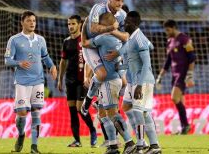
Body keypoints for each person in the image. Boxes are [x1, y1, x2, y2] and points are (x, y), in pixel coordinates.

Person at [107, 11, 162, 154]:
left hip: (142, 81)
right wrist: (118, 64)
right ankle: (154, 146)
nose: (124, 24)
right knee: (128, 107)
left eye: (127, 22)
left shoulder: (139, 39)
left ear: (135, 23)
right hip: (133, 81)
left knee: (138, 112)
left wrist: (139, 85)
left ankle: (140, 145)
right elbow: (136, 53)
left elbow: (146, 64)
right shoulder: (133, 38)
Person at [82, 13, 136, 154]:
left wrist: (84, 27)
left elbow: (85, 43)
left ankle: (129, 143)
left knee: (113, 115)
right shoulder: (119, 40)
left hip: (108, 81)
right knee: (103, 114)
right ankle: (112, 145)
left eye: (99, 24)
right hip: (117, 79)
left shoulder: (103, 38)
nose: (97, 27)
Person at [5, 10, 57, 154]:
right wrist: (19, 63)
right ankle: (21, 134)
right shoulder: (14, 40)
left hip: (39, 81)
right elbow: (7, 60)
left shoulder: (40, 40)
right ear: (22, 22)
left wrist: (52, 66)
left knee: (36, 111)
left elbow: (45, 57)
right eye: (28, 20)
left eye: (34, 20)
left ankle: (34, 146)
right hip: (22, 82)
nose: (32, 23)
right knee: (22, 113)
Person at [81, 0, 129, 116]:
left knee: (124, 82)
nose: (120, 3)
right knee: (102, 75)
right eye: (117, 0)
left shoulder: (122, 15)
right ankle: (88, 99)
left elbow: (126, 37)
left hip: (107, 46)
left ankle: (100, 102)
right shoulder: (98, 8)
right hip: (92, 46)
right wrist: (111, 28)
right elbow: (93, 28)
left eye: (122, 1)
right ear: (110, 0)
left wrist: (118, 49)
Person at [57, 15, 97, 147]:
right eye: (69, 24)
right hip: (70, 80)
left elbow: (91, 60)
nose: (70, 26)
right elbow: (63, 61)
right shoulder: (66, 41)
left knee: (80, 109)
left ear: (79, 24)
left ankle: (92, 131)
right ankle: (77, 140)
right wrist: (60, 78)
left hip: (82, 80)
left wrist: (89, 76)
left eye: (73, 23)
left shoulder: (85, 40)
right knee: (72, 111)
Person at [156, 19, 196, 134]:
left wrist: (190, 75)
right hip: (174, 75)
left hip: (182, 74)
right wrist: (160, 76)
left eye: (168, 30)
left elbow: (192, 57)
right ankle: (184, 127)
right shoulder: (169, 41)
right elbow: (168, 61)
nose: (167, 32)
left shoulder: (185, 39)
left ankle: (186, 125)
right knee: (180, 101)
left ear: (173, 27)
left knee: (174, 98)